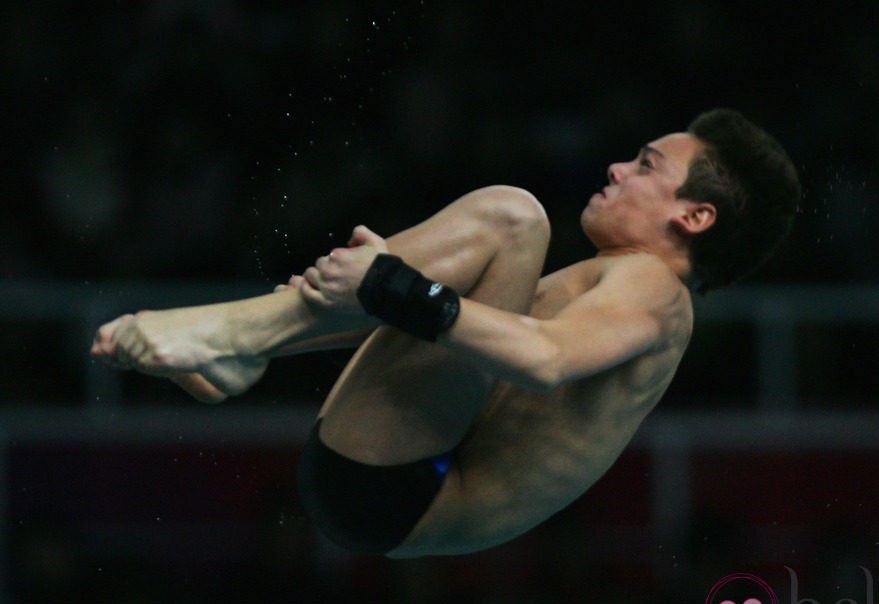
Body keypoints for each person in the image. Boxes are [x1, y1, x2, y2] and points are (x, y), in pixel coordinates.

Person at [90, 109, 800, 558]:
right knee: (454, 271)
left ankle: (232, 332)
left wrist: (391, 285)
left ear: (695, 217)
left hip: (406, 489)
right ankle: (243, 347)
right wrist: (381, 292)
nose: (617, 167)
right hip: (386, 483)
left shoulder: (658, 293)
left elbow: (544, 360)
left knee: (513, 219)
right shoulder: (600, 284)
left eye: (646, 165)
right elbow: (446, 334)